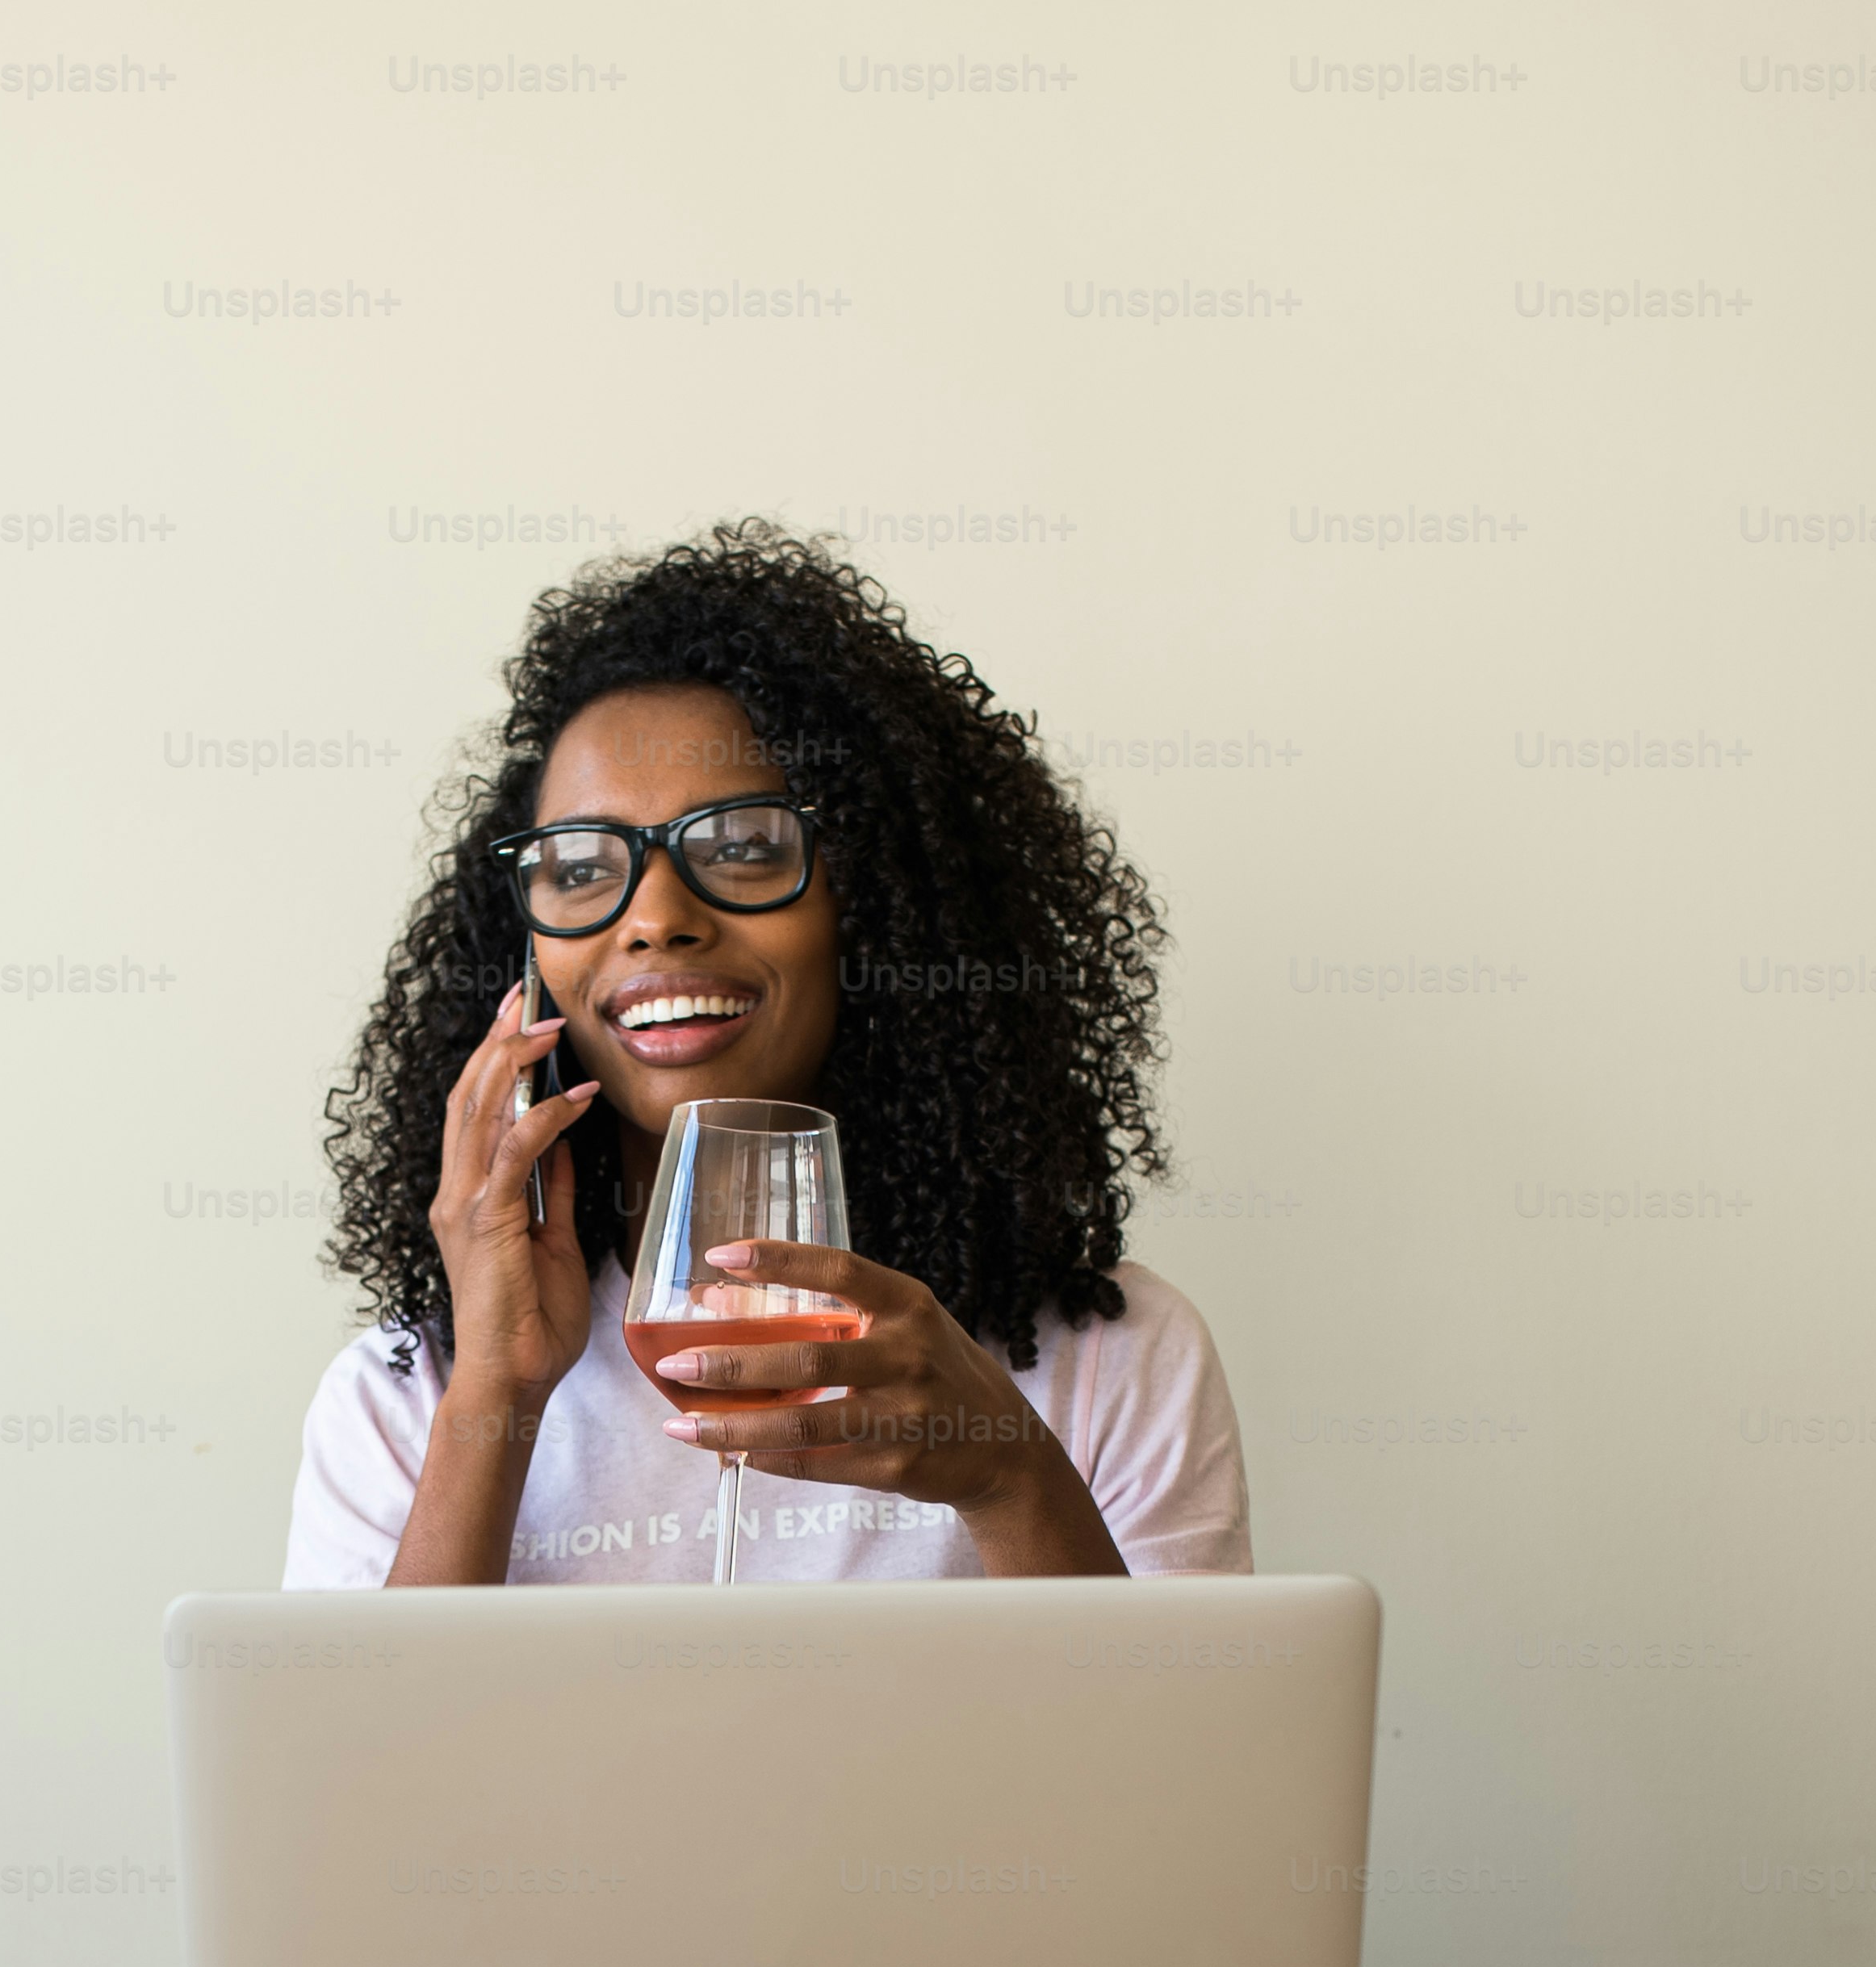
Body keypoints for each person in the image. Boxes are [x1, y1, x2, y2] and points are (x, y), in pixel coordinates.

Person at [287, 523, 1248, 1589]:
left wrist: (1006, 1471)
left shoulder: (1113, 1357)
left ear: (875, 904)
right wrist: (496, 1399)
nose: (653, 917)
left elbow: (1175, 1757)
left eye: (742, 849)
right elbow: (380, 1758)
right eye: (578, 869)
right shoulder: (405, 1395)